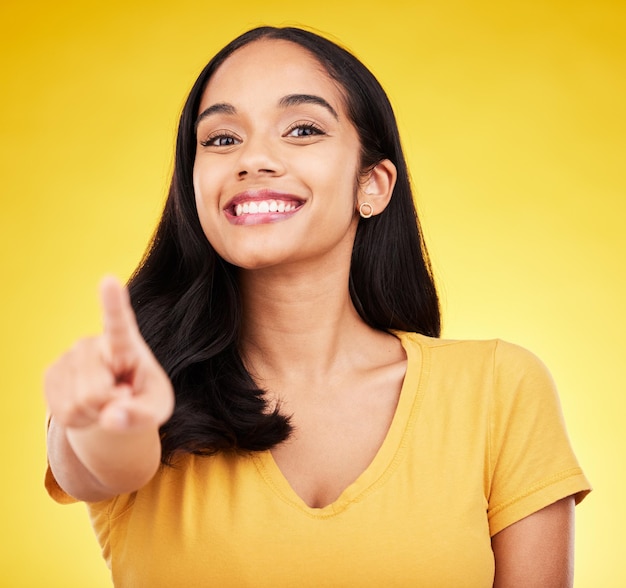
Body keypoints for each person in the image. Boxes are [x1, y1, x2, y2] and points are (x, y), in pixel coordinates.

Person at [44, 26, 590, 587]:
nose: (253, 158)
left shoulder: (499, 390)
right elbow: (98, 462)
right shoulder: (129, 387)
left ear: (372, 185)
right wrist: (108, 424)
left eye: (303, 129)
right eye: (221, 139)